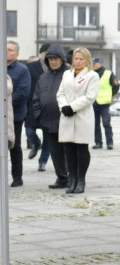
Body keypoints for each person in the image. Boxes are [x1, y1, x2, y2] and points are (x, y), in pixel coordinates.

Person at [56, 47, 99, 194]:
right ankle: (72, 179)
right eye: (76, 58)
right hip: (67, 116)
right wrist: (64, 106)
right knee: (69, 149)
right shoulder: (66, 74)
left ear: (87, 60)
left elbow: (90, 97)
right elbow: (60, 93)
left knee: (81, 148)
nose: (78, 61)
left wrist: (72, 107)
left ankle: (81, 179)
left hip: (82, 116)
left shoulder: (92, 75)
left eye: (81, 59)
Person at [31, 44, 69, 188]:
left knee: (69, 152)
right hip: (48, 121)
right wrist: (38, 115)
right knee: (55, 152)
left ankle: (72, 177)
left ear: (62, 59)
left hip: (66, 120)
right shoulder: (43, 77)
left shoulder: (69, 74)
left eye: (56, 59)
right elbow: (36, 98)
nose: (53, 61)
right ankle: (61, 178)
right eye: (50, 59)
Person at [6, 41, 30, 187]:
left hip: (15, 115)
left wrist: (5, 104)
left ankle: (17, 177)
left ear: (17, 54)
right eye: (5, 49)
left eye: (10, 50)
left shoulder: (22, 70)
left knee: (15, 146)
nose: (7, 52)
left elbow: (22, 92)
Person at [24, 43, 49, 166]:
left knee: (48, 136)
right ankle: (36, 144)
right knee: (29, 131)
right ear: (42, 53)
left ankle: (42, 161)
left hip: (48, 106)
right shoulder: (30, 66)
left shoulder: (56, 68)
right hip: (32, 104)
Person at [92, 57, 120, 150]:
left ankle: (109, 143)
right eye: (93, 63)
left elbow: (116, 86)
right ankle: (98, 143)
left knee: (106, 123)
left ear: (101, 63)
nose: (93, 65)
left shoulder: (109, 73)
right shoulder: (91, 74)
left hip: (104, 104)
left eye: (95, 63)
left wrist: (110, 95)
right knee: (95, 125)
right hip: (94, 103)